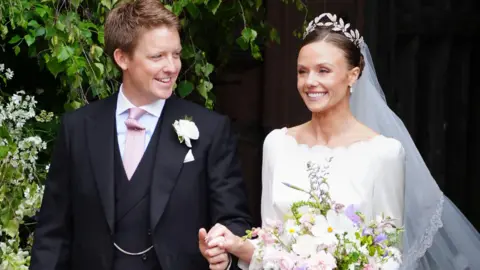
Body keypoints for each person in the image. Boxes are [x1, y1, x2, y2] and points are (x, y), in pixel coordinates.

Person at [201, 13, 480, 269]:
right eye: (302, 71)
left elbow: (387, 256)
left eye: (323, 70)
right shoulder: (277, 144)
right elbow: (271, 243)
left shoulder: (383, 153)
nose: (310, 81)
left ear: (353, 76)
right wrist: (236, 247)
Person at [29, 0, 252, 269]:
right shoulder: (78, 129)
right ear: (122, 58)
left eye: (176, 54)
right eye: (157, 56)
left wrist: (223, 248)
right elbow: (53, 234)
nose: (172, 67)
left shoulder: (211, 130)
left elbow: (234, 219)